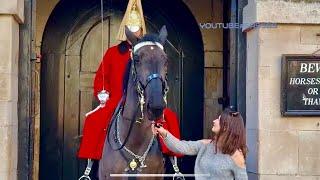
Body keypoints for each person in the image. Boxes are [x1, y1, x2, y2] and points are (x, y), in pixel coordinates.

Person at [77, 0, 182, 179]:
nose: (133, 32)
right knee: (94, 120)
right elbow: (101, 78)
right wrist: (103, 93)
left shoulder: (149, 52)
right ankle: (90, 167)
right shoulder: (112, 52)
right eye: (130, 29)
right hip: (117, 100)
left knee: (169, 118)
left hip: (145, 100)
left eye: (137, 29)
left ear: (141, 30)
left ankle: (174, 165)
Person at [152, 108, 249, 180]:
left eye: (219, 120)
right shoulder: (205, 145)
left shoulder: (237, 156)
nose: (214, 121)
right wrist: (164, 133)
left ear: (225, 127)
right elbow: (180, 147)